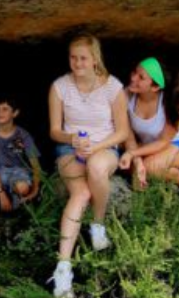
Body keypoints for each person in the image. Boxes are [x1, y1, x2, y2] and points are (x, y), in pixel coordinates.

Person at [47, 34, 130, 298]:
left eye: (83, 58)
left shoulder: (113, 87)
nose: (77, 63)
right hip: (69, 149)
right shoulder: (59, 86)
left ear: (95, 59)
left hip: (104, 147)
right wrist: (72, 139)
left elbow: (123, 131)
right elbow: (54, 131)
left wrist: (95, 146)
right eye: (73, 57)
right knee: (80, 193)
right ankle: (63, 269)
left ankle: (97, 223)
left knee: (96, 166)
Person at [118, 57, 179, 192]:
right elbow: (128, 135)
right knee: (129, 166)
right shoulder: (126, 95)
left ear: (155, 87)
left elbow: (163, 142)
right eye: (134, 72)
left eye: (141, 77)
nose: (133, 78)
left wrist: (132, 154)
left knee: (150, 168)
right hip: (151, 143)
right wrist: (136, 161)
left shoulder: (173, 104)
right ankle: (166, 171)